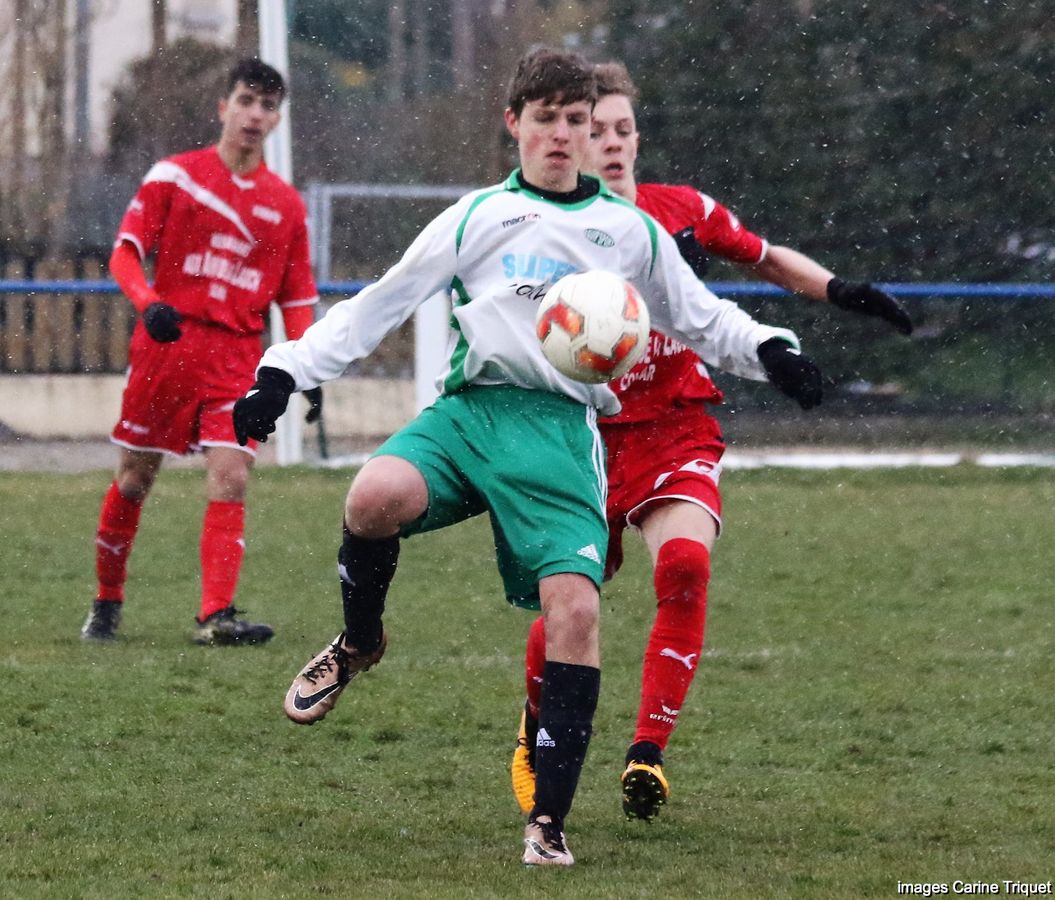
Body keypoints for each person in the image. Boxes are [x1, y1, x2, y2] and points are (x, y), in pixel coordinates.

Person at [232, 48, 822, 867]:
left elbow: (703, 318)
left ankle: (547, 820)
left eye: (575, 120)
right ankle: (359, 641)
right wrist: (281, 374)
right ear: (513, 123)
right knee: (371, 496)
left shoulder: (627, 232)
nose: (560, 134)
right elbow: (378, 306)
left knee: (574, 614)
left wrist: (773, 352)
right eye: (544, 118)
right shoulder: (476, 217)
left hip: (559, 432)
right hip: (471, 415)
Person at [510, 61, 913, 824]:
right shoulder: (541, 232)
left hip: (673, 425)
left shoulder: (682, 214)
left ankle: (647, 753)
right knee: (570, 603)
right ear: (568, 137)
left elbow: (762, 257)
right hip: (581, 437)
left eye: (624, 129)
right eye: (596, 130)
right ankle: (535, 730)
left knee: (685, 565)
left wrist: (839, 291)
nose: (611, 143)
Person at [80, 58, 321, 646]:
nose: (255, 115)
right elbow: (125, 252)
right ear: (223, 107)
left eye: (267, 106)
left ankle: (216, 616)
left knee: (231, 475)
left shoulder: (286, 205)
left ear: (277, 119)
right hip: (169, 349)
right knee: (135, 478)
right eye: (246, 101)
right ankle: (107, 601)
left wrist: (308, 367)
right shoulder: (176, 177)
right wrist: (148, 302)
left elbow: (296, 298)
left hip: (237, 357)